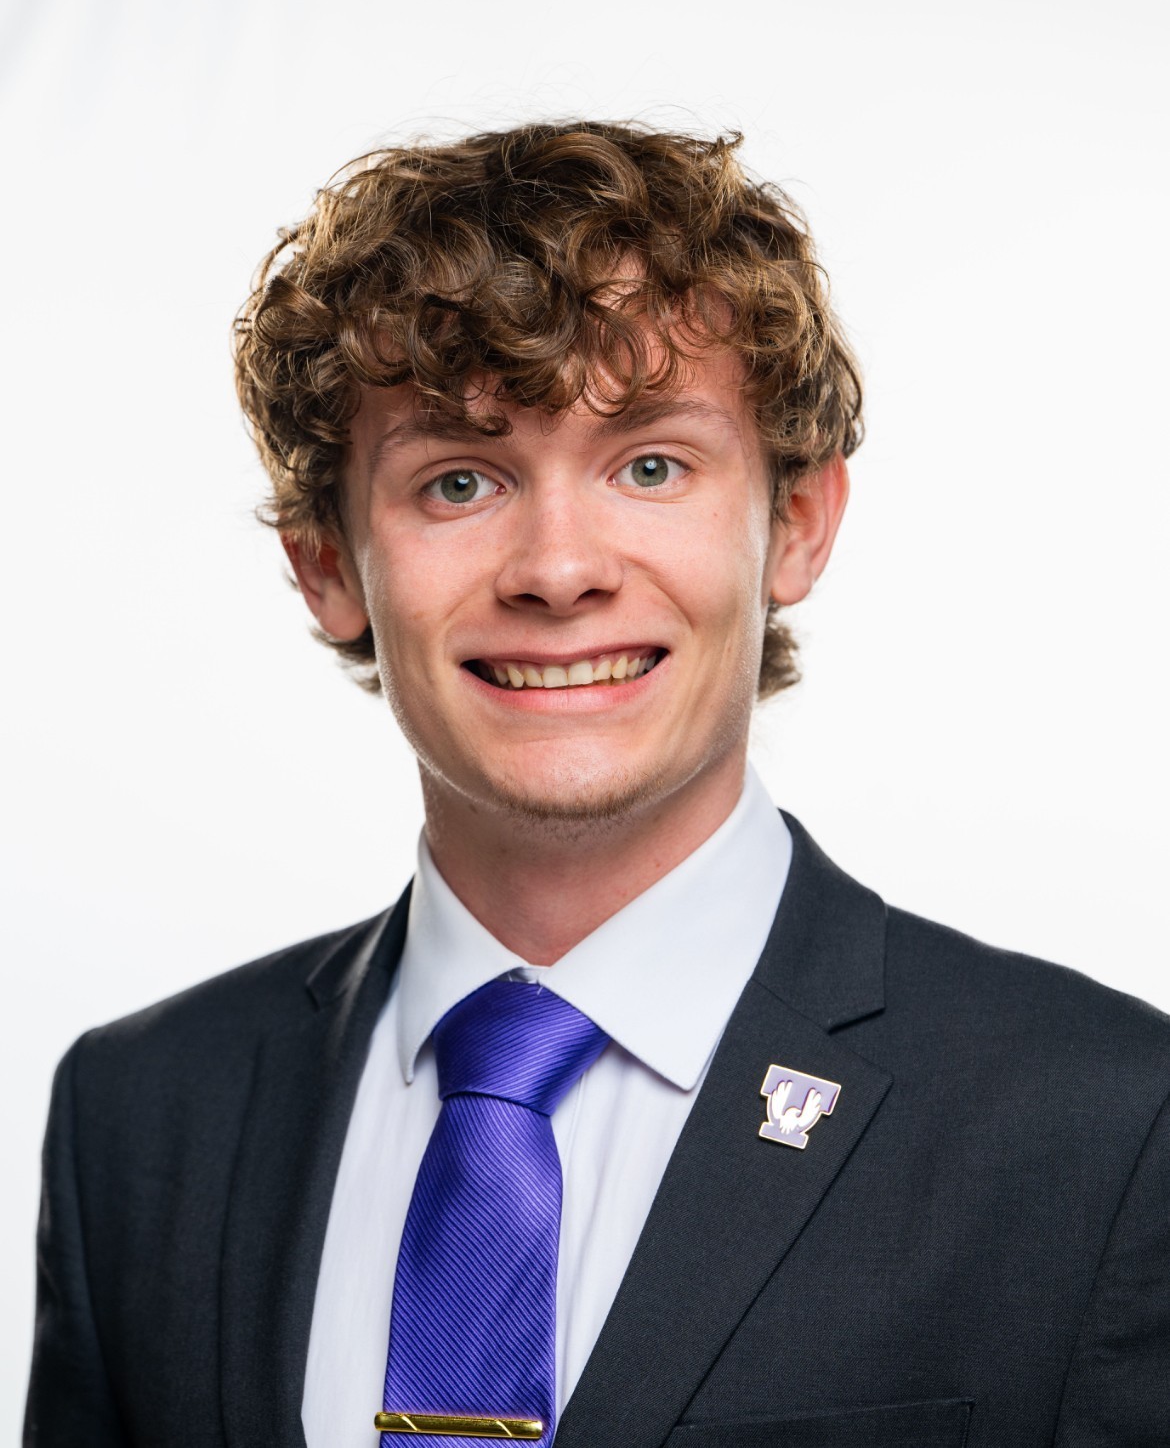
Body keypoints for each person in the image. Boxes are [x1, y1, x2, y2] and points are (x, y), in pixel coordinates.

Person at [25, 121, 1170, 1448]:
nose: (557, 568)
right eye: (458, 480)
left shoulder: (1101, 1126)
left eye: (648, 466)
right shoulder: (142, 1114)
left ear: (793, 524)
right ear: (326, 566)